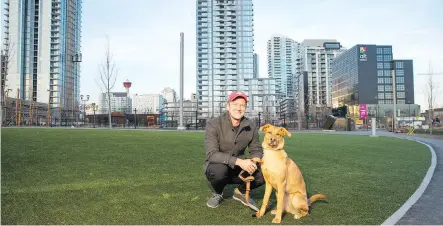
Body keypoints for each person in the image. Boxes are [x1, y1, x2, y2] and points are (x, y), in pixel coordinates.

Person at [203, 91, 265, 209]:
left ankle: (240, 192)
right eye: (235, 104)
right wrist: (240, 162)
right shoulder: (214, 124)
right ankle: (218, 192)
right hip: (220, 165)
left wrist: (254, 161)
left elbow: (256, 149)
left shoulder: (250, 125)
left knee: (265, 173)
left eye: (242, 105)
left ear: (245, 108)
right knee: (218, 171)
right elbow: (211, 154)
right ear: (228, 106)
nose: (239, 108)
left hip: (239, 169)